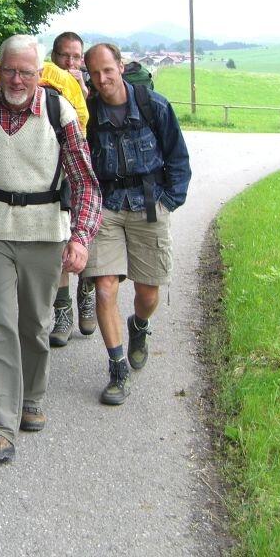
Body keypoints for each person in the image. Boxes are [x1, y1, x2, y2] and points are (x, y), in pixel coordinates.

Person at [0, 35, 101, 463]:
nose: (17, 79)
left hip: (45, 232)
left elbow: (86, 182)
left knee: (34, 324)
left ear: (39, 74)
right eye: (9, 71)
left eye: (26, 72)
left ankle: (31, 397)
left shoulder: (58, 111)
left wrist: (81, 237)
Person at [82, 42, 191, 405]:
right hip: (107, 206)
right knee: (105, 288)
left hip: (148, 205)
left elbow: (177, 155)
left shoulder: (152, 105)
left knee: (148, 293)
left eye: (107, 70)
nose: (102, 79)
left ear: (121, 67)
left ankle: (139, 326)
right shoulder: (88, 112)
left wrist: (169, 201)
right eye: (95, 73)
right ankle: (117, 369)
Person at [47, 31, 98, 345]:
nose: (70, 62)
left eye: (76, 57)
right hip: (59, 176)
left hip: (90, 177)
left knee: (87, 239)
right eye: (65, 56)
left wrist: (82, 93)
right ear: (54, 57)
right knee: (60, 242)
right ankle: (63, 311)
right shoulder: (47, 86)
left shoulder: (96, 91)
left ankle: (87, 292)